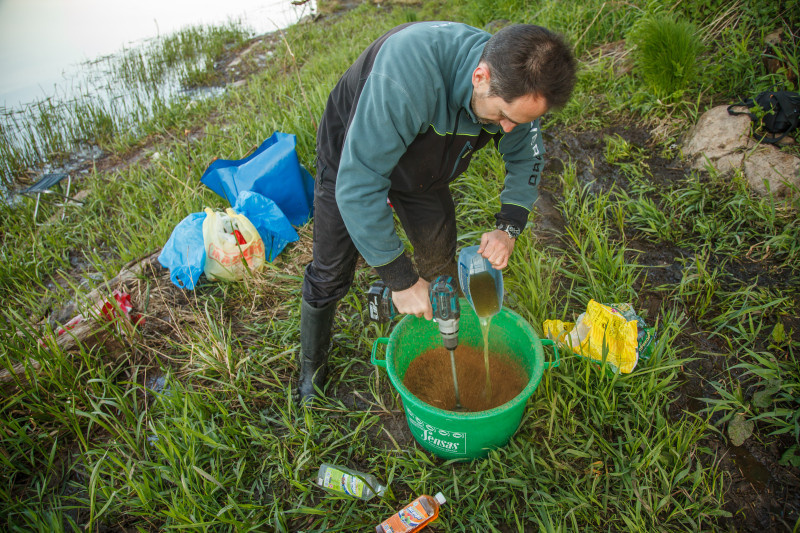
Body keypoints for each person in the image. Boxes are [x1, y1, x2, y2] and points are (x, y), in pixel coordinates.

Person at [297, 21, 577, 402]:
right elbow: (359, 185)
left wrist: (508, 228)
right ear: (481, 77)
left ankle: (447, 356)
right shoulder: (407, 76)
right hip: (353, 155)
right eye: (503, 117)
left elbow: (526, 156)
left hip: (423, 171)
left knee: (439, 269)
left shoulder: (518, 86)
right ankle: (312, 370)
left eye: (522, 120)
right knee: (330, 271)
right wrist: (399, 279)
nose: (510, 129)